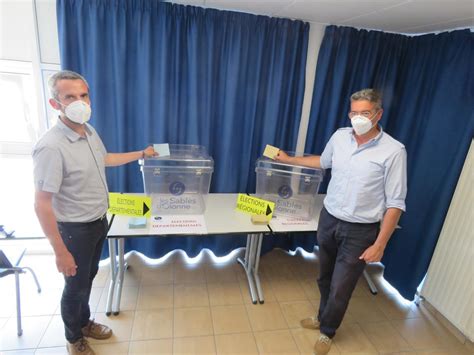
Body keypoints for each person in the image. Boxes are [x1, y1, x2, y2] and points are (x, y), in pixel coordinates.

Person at [32, 70, 156, 355]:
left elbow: (106, 159)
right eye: (70, 97)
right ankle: (74, 337)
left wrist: (141, 153)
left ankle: (85, 322)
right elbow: (41, 204)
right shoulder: (51, 147)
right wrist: (60, 251)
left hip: (99, 220)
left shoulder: (88, 130)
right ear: (55, 104)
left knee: (87, 278)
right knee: (75, 286)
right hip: (75, 229)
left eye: (84, 95)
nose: (80, 102)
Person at [276, 88, 407, 355]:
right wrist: (290, 160)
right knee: (324, 277)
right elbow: (322, 162)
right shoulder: (339, 137)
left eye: (365, 113)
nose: (358, 118)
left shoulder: (394, 151)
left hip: (361, 230)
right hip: (329, 219)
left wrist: (380, 244)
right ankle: (322, 316)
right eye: (354, 113)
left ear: (378, 114)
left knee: (340, 286)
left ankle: (327, 331)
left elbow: (395, 203)